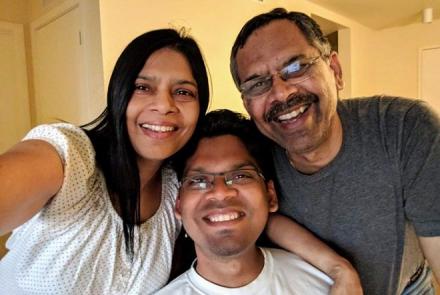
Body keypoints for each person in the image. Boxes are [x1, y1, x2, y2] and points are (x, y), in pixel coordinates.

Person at [0, 28, 358, 294]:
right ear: (120, 94)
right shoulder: (72, 158)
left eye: (183, 92)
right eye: (144, 87)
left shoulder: (175, 183)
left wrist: (338, 268)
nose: (165, 105)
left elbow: (247, 214)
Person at [230, 7, 440, 295]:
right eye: (257, 84)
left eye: (296, 67)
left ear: (335, 71)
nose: (281, 93)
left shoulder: (404, 127)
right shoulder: (253, 151)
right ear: (247, 106)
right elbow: (255, 215)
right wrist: (337, 266)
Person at [157, 109, 334, 294]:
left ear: (270, 196)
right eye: (199, 181)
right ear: (178, 204)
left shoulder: (327, 284)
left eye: (240, 176)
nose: (220, 192)